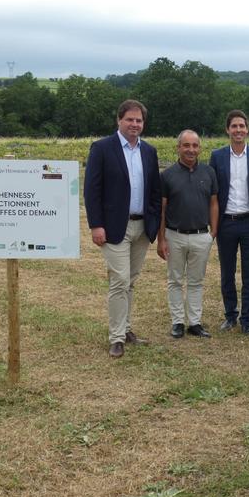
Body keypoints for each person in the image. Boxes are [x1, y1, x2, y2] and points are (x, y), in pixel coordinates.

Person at [84, 99, 161, 359]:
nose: (134, 124)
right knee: (119, 280)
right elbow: (92, 190)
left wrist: (152, 221)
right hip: (115, 227)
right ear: (119, 120)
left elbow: (154, 190)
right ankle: (116, 337)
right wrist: (96, 225)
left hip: (142, 227)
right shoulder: (102, 149)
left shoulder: (149, 151)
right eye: (130, 119)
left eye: (139, 120)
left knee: (131, 281)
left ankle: (127, 329)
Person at [210, 110, 249, 335]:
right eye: (234, 126)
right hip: (226, 222)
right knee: (227, 271)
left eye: (242, 126)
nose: (238, 130)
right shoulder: (217, 156)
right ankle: (230, 315)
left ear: (247, 129)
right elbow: (213, 193)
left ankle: (247, 318)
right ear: (227, 129)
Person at [157, 130, 219, 339]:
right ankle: (177, 322)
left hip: (202, 235)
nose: (191, 150)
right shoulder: (167, 175)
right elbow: (162, 209)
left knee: (196, 281)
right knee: (175, 280)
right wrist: (161, 238)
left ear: (199, 148)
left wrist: (214, 232)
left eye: (195, 146)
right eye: (186, 145)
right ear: (178, 148)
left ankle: (195, 322)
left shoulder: (209, 172)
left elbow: (213, 203)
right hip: (174, 235)